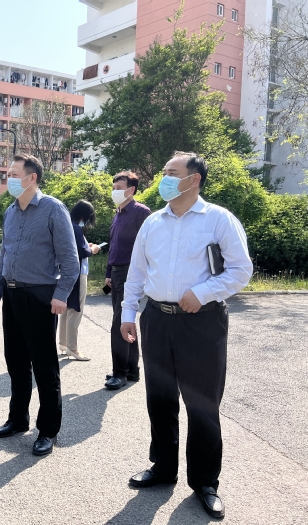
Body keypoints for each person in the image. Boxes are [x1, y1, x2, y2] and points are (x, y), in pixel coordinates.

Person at [120, 152, 252, 520]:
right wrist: (128, 313)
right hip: (157, 320)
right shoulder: (153, 223)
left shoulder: (218, 220)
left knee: (202, 403)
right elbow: (136, 272)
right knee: (160, 398)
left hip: (202, 323)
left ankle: (205, 482)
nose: (163, 178)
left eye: (171, 172)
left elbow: (241, 270)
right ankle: (163, 467)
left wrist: (203, 292)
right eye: (163, 172)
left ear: (193, 179)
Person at [0, 154, 78, 457]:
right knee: (15, 361)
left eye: (14, 174)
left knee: (44, 366)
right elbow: (5, 253)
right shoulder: (11, 211)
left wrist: (61, 294)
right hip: (12, 295)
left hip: (40, 296)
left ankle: (48, 430)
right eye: (8, 174)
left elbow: (70, 259)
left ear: (32, 177)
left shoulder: (53, 209)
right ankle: (18, 419)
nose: (9, 178)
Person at [104, 171, 150, 390]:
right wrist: (108, 273)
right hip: (116, 273)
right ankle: (132, 370)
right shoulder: (118, 213)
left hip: (131, 273)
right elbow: (113, 245)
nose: (115, 191)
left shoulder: (141, 212)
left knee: (119, 323)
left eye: (119, 188)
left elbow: (149, 246)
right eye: (113, 188)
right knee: (125, 320)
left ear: (131, 190)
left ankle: (119, 372)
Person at [59, 200, 101, 361]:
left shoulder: (68, 226)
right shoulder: (76, 228)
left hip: (66, 272)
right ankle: (73, 348)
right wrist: (93, 249)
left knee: (66, 308)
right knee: (75, 310)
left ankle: (63, 343)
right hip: (78, 273)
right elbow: (82, 252)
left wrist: (86, 246)